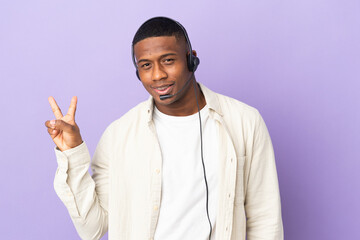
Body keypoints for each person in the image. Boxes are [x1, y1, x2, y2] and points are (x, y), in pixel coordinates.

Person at [45, 17, 283, 240]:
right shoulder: (118, 135)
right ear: (138, 72)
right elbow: (92, 229)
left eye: (168, 60)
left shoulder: (245, 122)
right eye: (146, 65)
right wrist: (73, 154)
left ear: (192, 59)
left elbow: (265, 220)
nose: (157, 75)